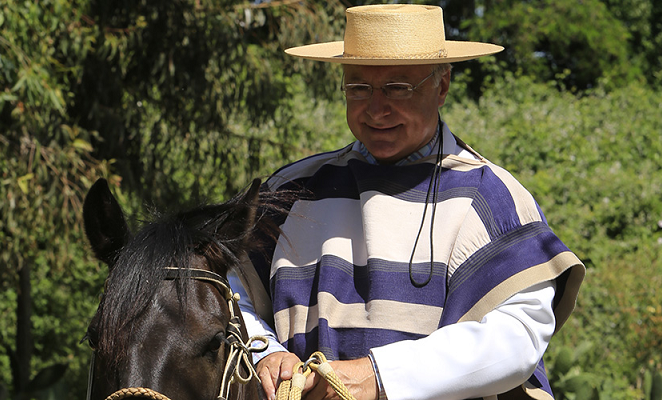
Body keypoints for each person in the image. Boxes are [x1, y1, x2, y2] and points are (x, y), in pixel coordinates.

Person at [229, 4, 585, 400]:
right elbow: (229, 288)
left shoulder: (491, 197)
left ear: (443, 86)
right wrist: (264, 349)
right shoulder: (293, 190)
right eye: (359, 88)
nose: (377, 108)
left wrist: (379, 377)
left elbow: (518, 337)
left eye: (398, 88)